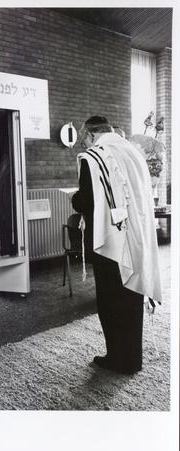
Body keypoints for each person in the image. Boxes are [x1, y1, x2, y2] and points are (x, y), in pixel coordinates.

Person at [72, 115, 162, 375]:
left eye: (84, 140)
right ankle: (133, 359)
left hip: (110, 240)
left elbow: (86, 201)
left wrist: (75, 199)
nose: (85, 145)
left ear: (90, 134)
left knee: (110, 301)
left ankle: (116, 359)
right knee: (131, 297)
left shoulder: (93, 157)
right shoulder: (133, 152)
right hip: (136, 234)